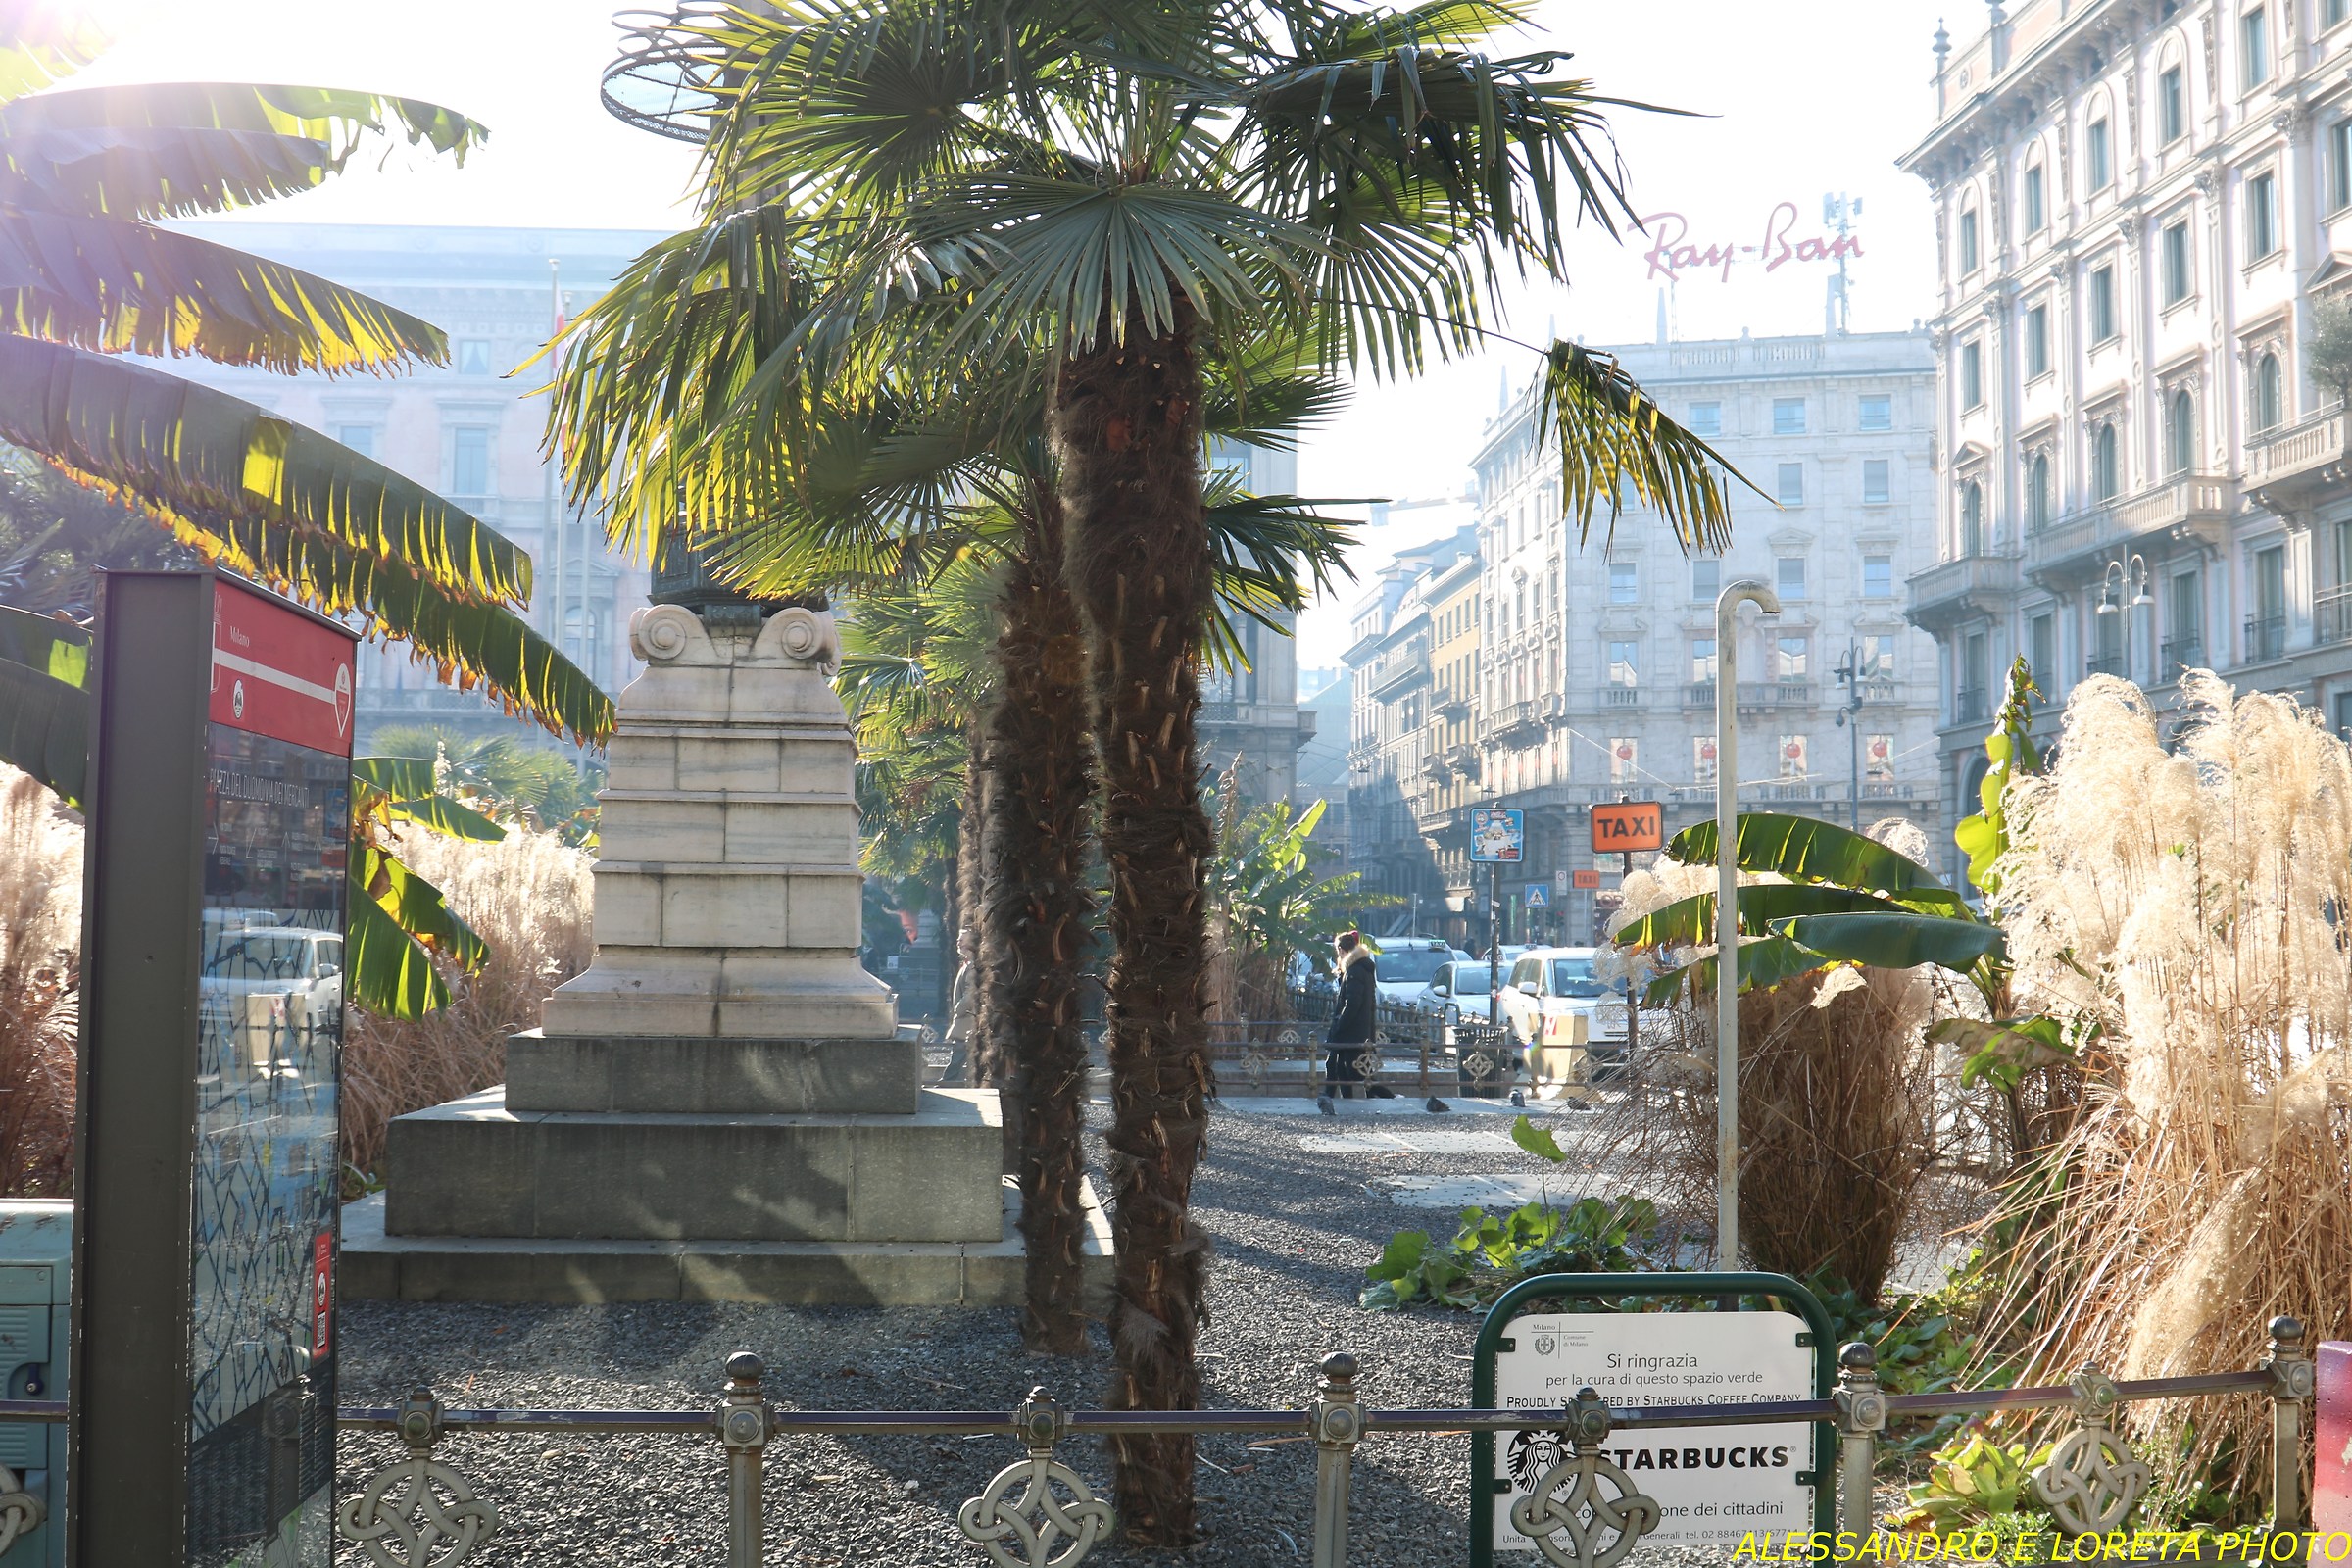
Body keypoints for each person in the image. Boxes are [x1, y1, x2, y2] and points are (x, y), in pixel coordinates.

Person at [1319, 930, 1395, 1111]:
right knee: (1339, 1067)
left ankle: (1390, 1097)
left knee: (1355, 1071)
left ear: (1341, 949)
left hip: (1350, 1032)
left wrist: (1339, 1025)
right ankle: (1333, 1099)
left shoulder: (1355, 972)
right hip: (1357, 1031)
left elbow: (1352, 1003)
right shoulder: (1360, 969)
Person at [941, 931, 979, 1085]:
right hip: (964, 1022)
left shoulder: (972, 967)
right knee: (958, 1057)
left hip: (966, 1023)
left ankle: (945, 1085)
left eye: (962, 939)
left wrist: (958, 1009)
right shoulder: (967, 965)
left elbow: (970, 995)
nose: (958, 942)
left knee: (957, 1058)